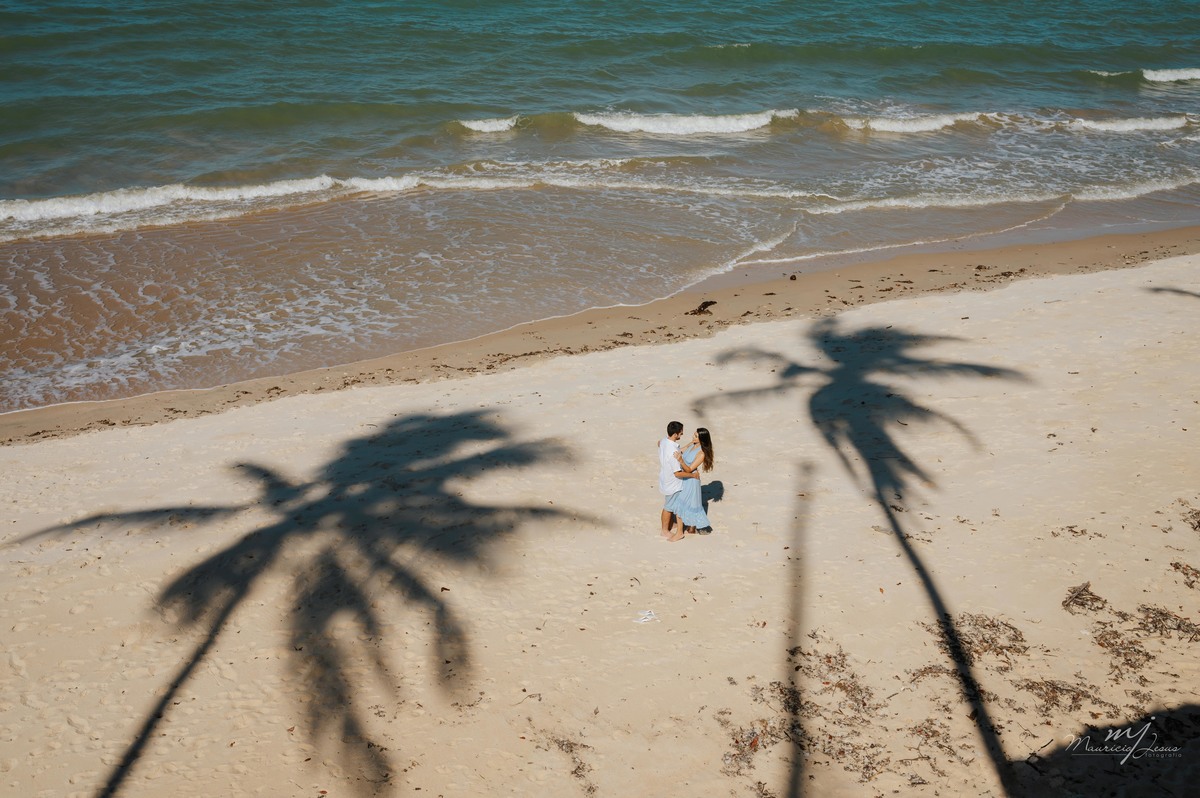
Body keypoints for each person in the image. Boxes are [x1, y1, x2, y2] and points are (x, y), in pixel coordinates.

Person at [663, 428, 715, 536]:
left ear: (702, 439)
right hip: (684, 478)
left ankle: (686, 530)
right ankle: (690, 528)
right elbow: (681, 450)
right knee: (688, 502)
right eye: (694, 434)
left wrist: (680, 460)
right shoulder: (692, 445)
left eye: (696, 436)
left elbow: (689, 469)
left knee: (686, 503)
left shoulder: (701, 453)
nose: (693, 437)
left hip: (691, 479)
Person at [658, 421, 697, 542]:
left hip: (665, 478)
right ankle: (665, 530)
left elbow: (659, 443)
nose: (682, 434)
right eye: (681, 432)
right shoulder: (673, 453)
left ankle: (670, 525)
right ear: (675, 434)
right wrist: (692, 475)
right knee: (668, 507)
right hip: (673, 482)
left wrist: (690, 443)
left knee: (669, 504)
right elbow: (677, 473)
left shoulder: (664, 441)